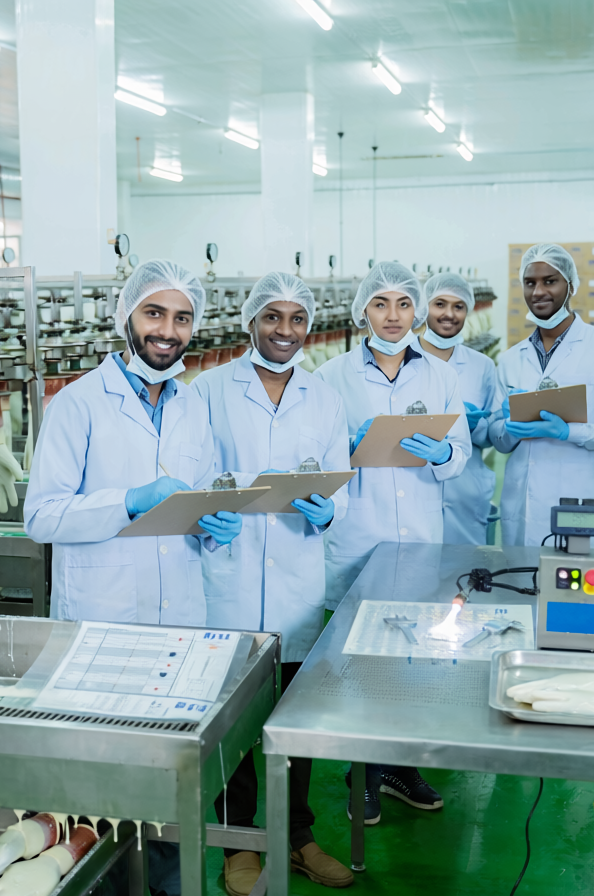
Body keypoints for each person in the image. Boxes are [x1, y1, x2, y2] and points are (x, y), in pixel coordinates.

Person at [24, 259, 245, 895]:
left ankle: (173, 887)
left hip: (180, 623)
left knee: (175, 780)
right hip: (103, 622)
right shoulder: (78, 405)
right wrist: (127, 500)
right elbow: (41, 517)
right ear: (128, 317)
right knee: (104, 782)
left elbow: (193, 496)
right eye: (155, 313)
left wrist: (207, 522)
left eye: (182, 318)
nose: (168, 331)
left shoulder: (192, 404)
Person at [192, 272, 353, 894]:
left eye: (295, 320)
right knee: (231, 721)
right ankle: (238, 842)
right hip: (225, 576)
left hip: (296, 576)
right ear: (250, 322)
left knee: (295, 718)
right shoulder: (207, 390)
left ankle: (297, 835)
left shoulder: (323, 398)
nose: (284, 331)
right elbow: (186, 472)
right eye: (272, 318)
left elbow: (342, 482)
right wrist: (208, 511)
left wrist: (329, 510)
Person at [313, 261, 470, 824]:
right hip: (359, 537)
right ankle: (362, 777)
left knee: (410, 658)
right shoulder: (331, 377)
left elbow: (461, 455)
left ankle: (401, 766)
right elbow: (319, 465)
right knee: (360, 661)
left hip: (422, 537)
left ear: (418, 311)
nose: (394, 316)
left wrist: (443, 454)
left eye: (404, 304)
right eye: (381, 303)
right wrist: (348, 451)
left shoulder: (440, 375)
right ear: (362, 312)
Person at [487, 243, 594, 548]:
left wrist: (568, 431)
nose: (538, 291)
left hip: (578, 502)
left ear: (570, 286)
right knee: (520, 587)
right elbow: (499, 442)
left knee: (574, 591)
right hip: (523, 507)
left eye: (550, 281)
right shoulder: (510, 359)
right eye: (530, 283)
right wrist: (506, 425)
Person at [417, 272, 501, 544]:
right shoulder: (400, 359)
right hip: (415, 485)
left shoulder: (482, 366)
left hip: (465, 487)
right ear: (424, 307)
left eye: (458, 306)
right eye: (439, 304)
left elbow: (492, 436)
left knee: (464, 576)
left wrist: (478, 427)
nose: (449, 314)